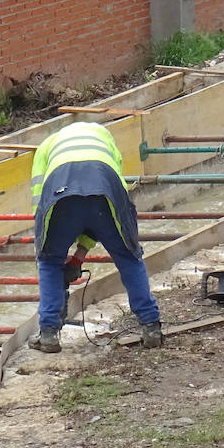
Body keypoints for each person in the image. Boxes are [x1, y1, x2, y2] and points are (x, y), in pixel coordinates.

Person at [28, 121, 163, 352]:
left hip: (61, 196)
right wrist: (80, 255)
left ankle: (49, 333)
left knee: (49, 263)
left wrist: (48, 247)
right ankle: (151, 327)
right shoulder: (105, 138)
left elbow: (41, 200)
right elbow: (113, 195)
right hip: (105, 192)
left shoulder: (47, 146)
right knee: (129, 258)